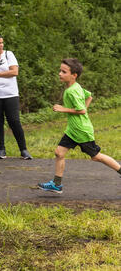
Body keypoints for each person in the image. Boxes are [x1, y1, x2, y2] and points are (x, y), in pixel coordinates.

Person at [38, 59, 121, 193]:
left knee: (96, 156)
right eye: (60, 70)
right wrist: (82, 111)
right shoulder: (75, 87)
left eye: (63, 72)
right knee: (59, 153)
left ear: (74, 75)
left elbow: (81, 110)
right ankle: (56, 184)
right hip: (73, 130)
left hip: (81, 131)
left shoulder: (72, 91)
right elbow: (89, 97)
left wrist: (63, 109)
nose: (59, 73)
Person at [0, 34, 32, 160]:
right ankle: (1, 150)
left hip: (10, 94)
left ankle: (23, 150)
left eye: (2, 42)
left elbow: (14, 72)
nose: (1, 45)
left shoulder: (9, 54)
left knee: (14, 121)